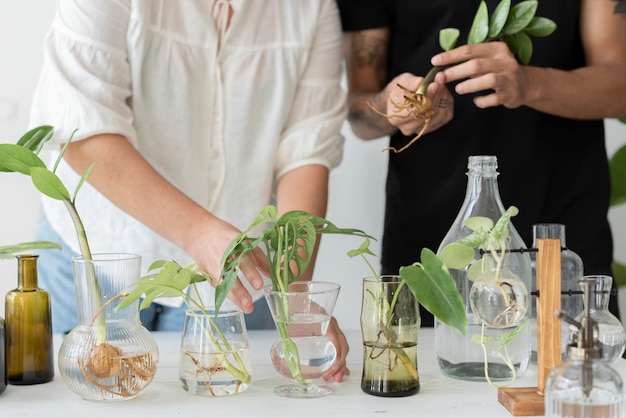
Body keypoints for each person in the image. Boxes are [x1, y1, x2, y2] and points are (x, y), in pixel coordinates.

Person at [29, 0, 350, 382]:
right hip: (102, 250)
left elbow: (307, 148)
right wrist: (199, 233)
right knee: (86, 399)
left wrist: (292, 294)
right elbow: (81, 128)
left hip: (235, 273)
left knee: (219, 397)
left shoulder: (311, 7)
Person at [337, 0, 626, 326]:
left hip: (560, 235)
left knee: (579, 373)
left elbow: (619, 85)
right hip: (430, 252)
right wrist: (391, 106)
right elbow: (360, 111)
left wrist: (528, 84)